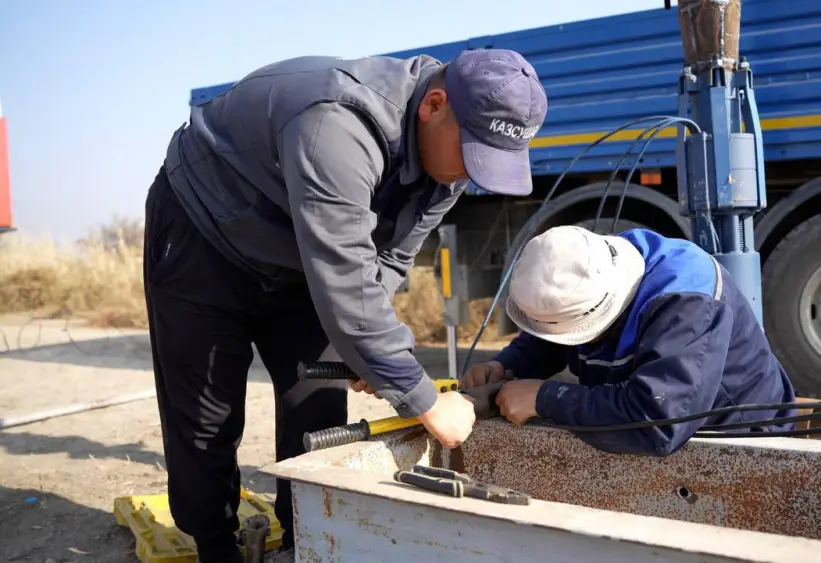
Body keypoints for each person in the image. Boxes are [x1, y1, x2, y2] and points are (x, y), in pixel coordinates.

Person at [142, 48, 547, 562]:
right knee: (206, 413)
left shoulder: (449, 167)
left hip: (299, 253)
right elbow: (344, 277)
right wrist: (422, 398)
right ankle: (215, 545)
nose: (472, 173)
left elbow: (392, 257)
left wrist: (372, 357)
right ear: (434, 105)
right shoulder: (336, 122)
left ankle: (305, 541)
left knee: (315, 408)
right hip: (206, 235)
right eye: (471, 153)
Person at [461, 225, 796, 456]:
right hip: (656, 430)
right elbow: (554, 334)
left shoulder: (687, 304)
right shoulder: (591, 267)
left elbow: (657, 423)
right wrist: (506, 364)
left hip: (737, 435)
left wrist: (545, 398)